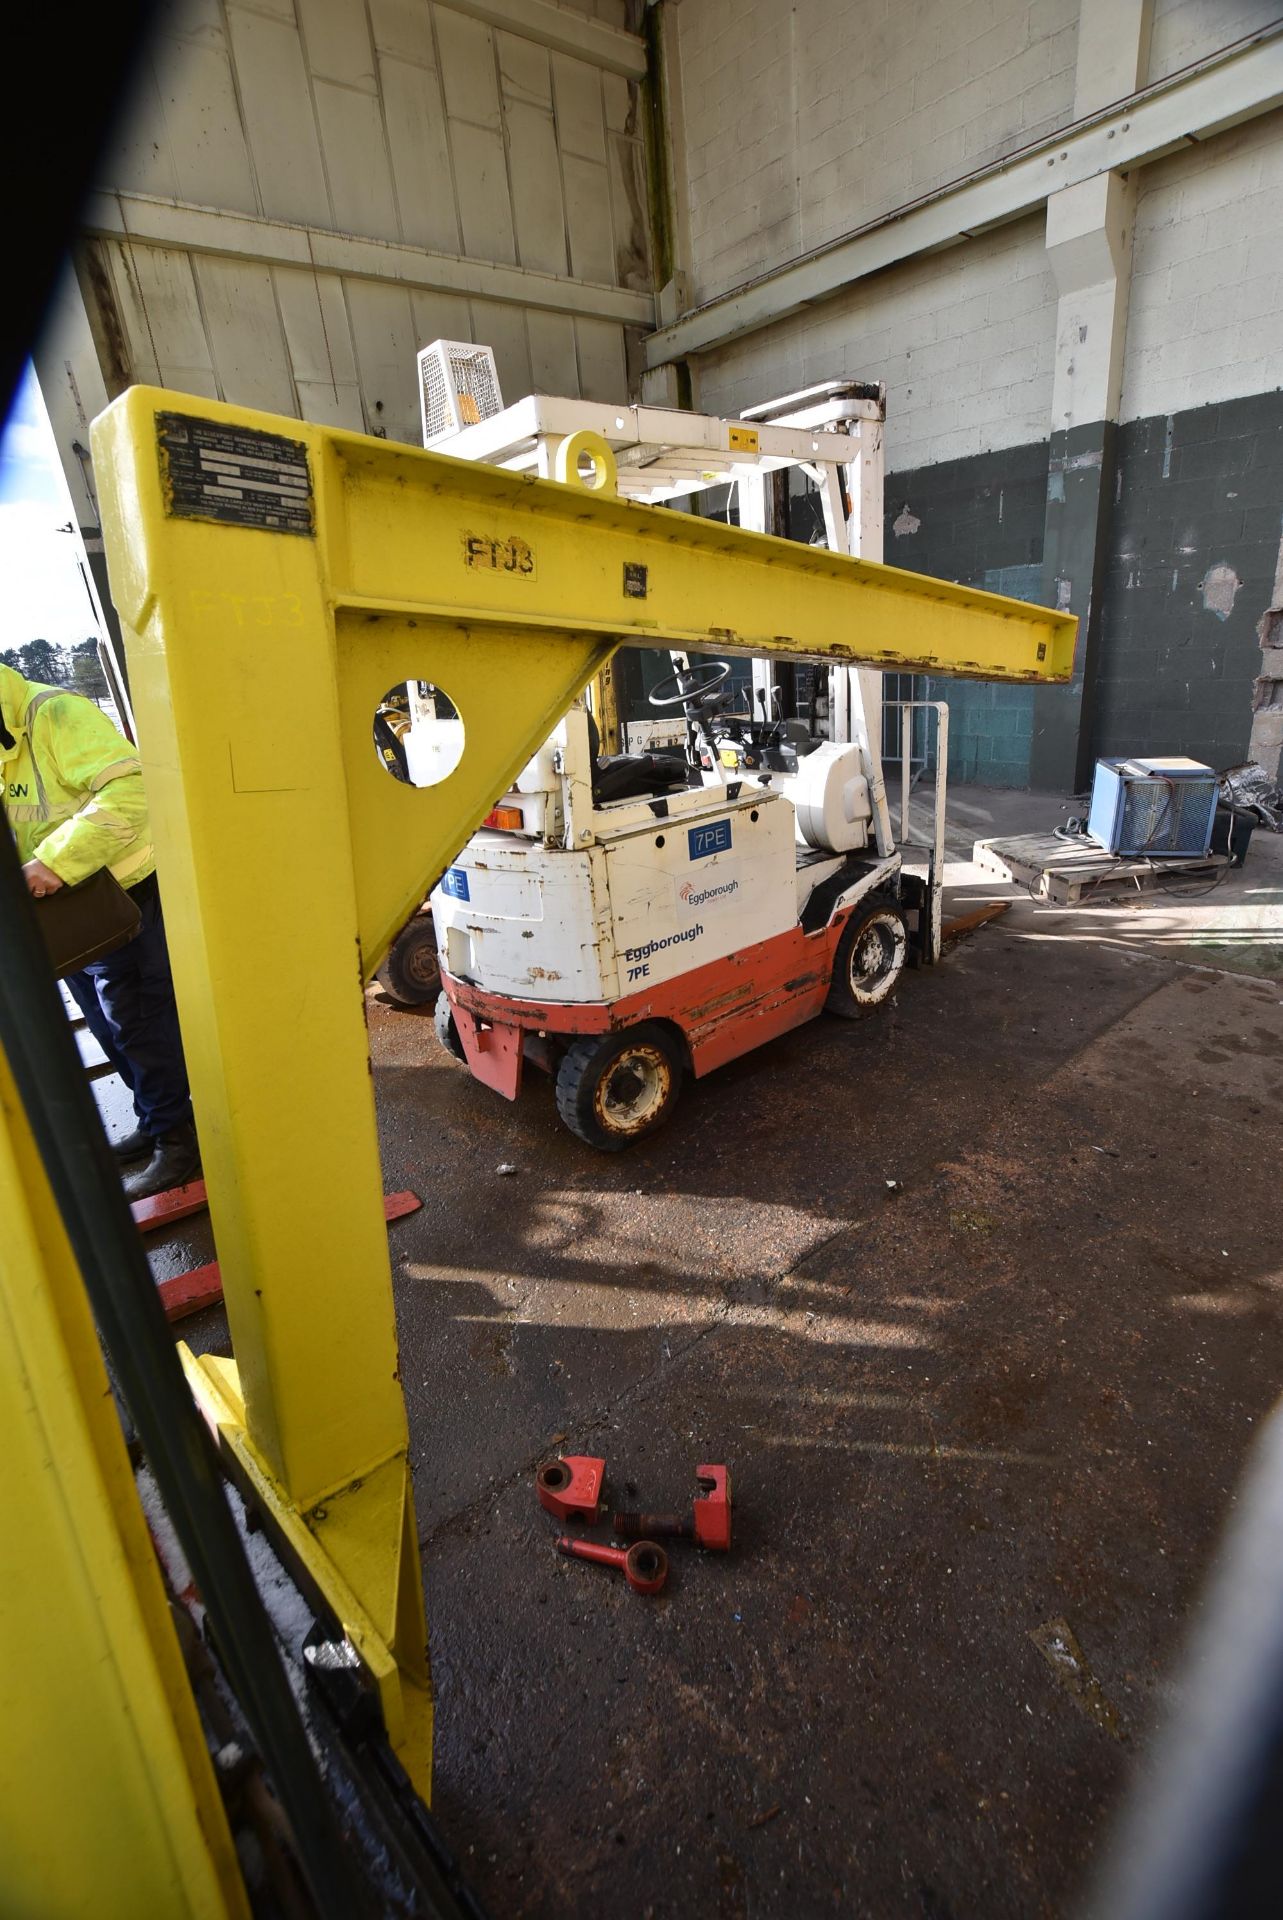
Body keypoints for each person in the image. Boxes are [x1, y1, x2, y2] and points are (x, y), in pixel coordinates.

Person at [1, 660, 198, 1199]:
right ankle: (156, 1119)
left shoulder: (55, 713)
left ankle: (179, 1143)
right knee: (107, 1026)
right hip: (63, 905)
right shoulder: (6, 740)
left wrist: (50, 863)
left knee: (137, 1022)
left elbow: (135, 792)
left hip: (119, 895)